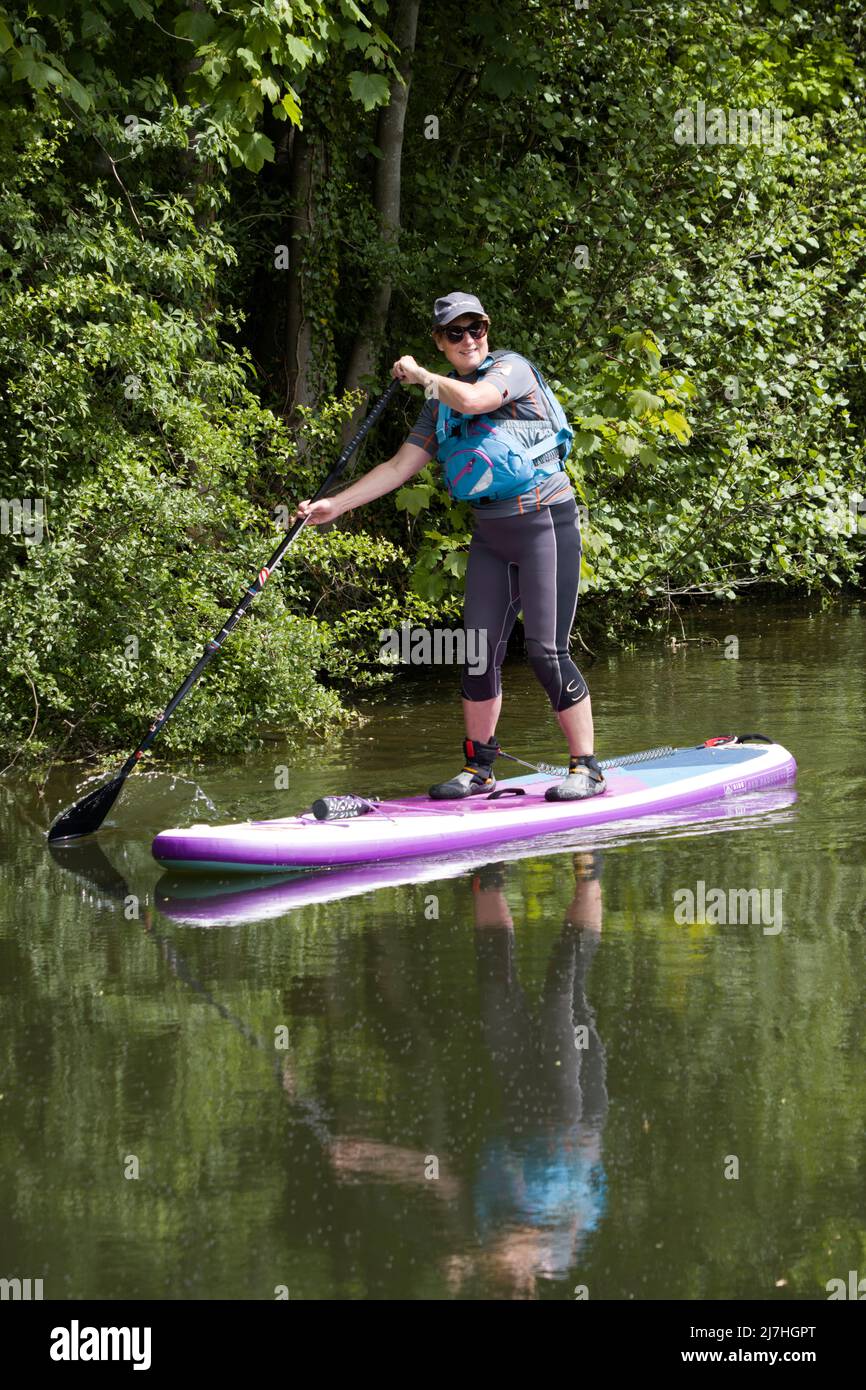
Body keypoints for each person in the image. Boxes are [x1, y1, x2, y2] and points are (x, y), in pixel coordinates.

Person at [294, 291, 605, 802]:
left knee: (546, 651)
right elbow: (398, 468)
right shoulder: (438, 408)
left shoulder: (511, 370)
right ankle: (480, 768)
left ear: (487, 329)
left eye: (475, 328)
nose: (468, 340)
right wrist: (336, 505)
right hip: (490, 535)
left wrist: (423, 377)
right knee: (477, 653)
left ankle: (586, 768)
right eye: (455, 333)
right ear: (440, 341)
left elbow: (478, 400)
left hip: (545, 523)